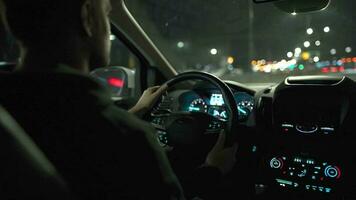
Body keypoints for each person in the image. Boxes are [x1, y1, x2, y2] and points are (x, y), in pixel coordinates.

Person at [0, 0, 237, 199]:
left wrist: (134, 111)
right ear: (87, 17)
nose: (108, 28)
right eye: (106, 14)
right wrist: (212, 171)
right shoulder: (127, 139)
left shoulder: (11, 111)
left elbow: (68, 133)